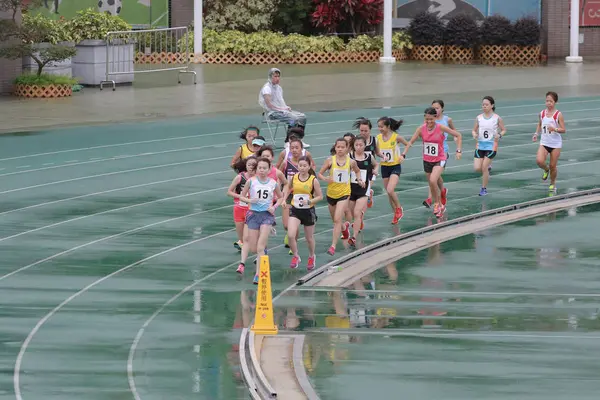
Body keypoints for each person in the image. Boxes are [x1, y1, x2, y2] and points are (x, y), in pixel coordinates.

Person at [403, 107, 462, 218]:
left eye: (431, 119)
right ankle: (442, 193)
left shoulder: (441, 127)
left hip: (440, 158)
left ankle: (438, 204)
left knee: (433, 180)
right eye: (427, 119)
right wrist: (403, 154)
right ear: (424, 118)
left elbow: (458, 135)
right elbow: (411, 141)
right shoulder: (421, 129)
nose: (429, 122)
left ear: (435, 117)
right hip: (427, 160)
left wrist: (458, 150)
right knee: (433, 182)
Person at [236, 157, 284, 284]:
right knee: (253, 248)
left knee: (260, 247)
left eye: (264, 168)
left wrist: (274, 207)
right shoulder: (251, 181)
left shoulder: (273, 183)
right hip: (253, 215)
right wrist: (250, 201)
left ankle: (259, 274)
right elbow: (242, 196)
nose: (262, 170)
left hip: (266, 216)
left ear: (269, 170)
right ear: (256, 169)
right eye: (260, 168)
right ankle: (259, 265)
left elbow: (280, 197)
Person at [318, 138, 365, 256]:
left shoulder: (351, 162)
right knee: (335, 219)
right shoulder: (330, 160)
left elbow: (358, 171)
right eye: (338, 147)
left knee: (338, 219)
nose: (340, 149)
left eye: (342, 147)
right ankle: (344, 229)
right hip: (331, 194)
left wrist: (359, 179)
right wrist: (325, 179)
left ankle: (333, 246)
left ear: (347, 148)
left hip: (344, 194)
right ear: (335, 147)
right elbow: (319, 174)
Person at [282, 156, 323, 271]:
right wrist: (284, 199)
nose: (302, 168)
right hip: (295, 210)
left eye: (305, 166)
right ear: (297, 166)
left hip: (308, 211)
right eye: (300, 166)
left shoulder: (313, 180)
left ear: (309, 166)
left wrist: (309, 201)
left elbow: (320, 196)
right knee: (291, 235)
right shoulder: (294, 177)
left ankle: (311, 256)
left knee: (309, 238)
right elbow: (288, 188)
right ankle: (296, 256)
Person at [258, 68, 310, 148]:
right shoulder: (267, 88)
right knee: (293, 119)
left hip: (282, 112)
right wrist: (281, 109)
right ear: (270, 77)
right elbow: (269, 105)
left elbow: (280, 101)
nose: (277, 78)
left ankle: (298, 140)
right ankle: (287, 141)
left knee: (302, 117)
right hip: (273, 113)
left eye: (278, 76)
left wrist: (285, 107)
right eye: (275, 76)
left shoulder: (279, 88)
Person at [376, 117, 409, 224]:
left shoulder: (396, 137)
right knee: (389, 194)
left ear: (388, 126)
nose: (379, 129)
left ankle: (399, 208)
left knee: (390, 190)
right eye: (378, 127)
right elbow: (376, 151)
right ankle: (395, 213)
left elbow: (408, 144)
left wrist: (403, 155)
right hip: (384, 167)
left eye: (382, 127)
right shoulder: (378, 138)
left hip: (395, 166)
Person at [423, 100, 455, 208]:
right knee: (434, 177)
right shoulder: (429, 121)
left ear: (442, 109)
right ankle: (442, 191)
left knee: (433, 178)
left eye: (437, 108)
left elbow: (454, 131)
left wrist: (456, 140)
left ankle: (430, 199)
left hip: (443, 151)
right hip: (430, 154)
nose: (435, 110)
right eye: (433, 108)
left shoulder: (447, 120)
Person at [472, 96, 506, 196]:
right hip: (480, 145)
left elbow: (504, 130)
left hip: (491, 146)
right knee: (477, 168)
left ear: (492, 105)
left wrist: (499, 135)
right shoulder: (479, 118)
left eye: (486, 105)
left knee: (484, 167)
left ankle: (483, 189)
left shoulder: (497, 118)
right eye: (483, 105)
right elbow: (474, 130)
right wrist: (474, 134)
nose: (484, 106)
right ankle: (488, 168)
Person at [347, 136, 377, 246]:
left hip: (364, 189)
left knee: (357, 212)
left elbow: (376, 164)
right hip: (351, 189)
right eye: (356, 145)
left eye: (361, 145)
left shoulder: (369, 157)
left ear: (365, 145)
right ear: (353, 146)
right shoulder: (349, 157)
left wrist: (375, 170)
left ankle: (354, 237)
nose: (359, 147)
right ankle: (356, 223)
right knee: (350, 213)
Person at [533, 91, 565, 193]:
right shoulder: (542, 113)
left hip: (555, 144)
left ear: (555, 102)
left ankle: (552, 183)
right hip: (544, 142)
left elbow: (563, 129)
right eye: (547, 101)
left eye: (551, 101)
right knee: (539, 161)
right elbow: (539, 124)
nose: (548, 103)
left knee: (553, 166)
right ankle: (546, 170)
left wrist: (554, 129)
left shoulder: (558, 114)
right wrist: (536, 134)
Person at [227, 156, 257, 251]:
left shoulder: (259, 178)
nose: (251, 167)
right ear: (246, 166)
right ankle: (243, 245)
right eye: (249, 165)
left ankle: (257, 250)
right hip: (239, 209)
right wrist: (240, 196)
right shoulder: (240, 177)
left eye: (253, 165)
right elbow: (229, 192)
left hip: (252, 210)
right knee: (242, 237)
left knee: (248, 235)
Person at [353, 117, 377, 208]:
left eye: (365, 131)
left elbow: (377, 153)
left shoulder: (374, 140)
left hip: (369, 170)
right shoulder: (355, 140)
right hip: (357, 169)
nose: (363, 133)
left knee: (364, 192)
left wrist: (383, 156)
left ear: (370, 130)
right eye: (361, 130)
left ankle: (361, 215)